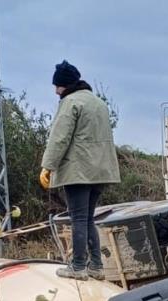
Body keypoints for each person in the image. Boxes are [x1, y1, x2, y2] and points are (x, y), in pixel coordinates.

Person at [40, 60, 120, 281]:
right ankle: (96, 265)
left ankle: (77, 267)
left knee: (78, 218)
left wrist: (48, 166)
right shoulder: (98, 103)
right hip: (101, 171)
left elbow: (60, 137)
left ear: (64, 85)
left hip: (78, 171)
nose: (56, 90)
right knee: (87, 219)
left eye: (57, 86)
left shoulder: (70, 102)